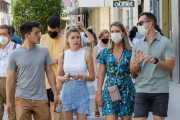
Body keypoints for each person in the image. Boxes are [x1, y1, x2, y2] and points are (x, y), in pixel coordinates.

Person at [6, 21, 61, 120]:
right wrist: (9, 101)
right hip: (22, 98)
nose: (39, 35)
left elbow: (50, 73)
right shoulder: (14, 54)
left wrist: (55, 94)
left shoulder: (44, 51)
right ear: (27, 36)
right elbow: (10, 78)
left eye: (39, 32)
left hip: (41, 97)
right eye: (36, 33)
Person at [130, 12, 175, 120]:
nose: (138, 26)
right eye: (138, 23)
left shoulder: (166, 42)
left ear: (150, 24)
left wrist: (156, 61)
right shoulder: (137, 44)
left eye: (141, 23)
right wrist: (138, 63)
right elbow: (132, 70)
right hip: (142, 88)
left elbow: (171, 65)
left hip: (160, 89)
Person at [96, 21, 136, 120]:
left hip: (127, 89)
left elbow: (134, 72)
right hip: (110, 89)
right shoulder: (105, 52)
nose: (114, 34)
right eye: (112, 31)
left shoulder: (130, 51)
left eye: (117, 31)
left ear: (123, 33)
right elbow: (101, 74)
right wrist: (98, 94)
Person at [55, 27, 95, 120]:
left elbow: (92, 77)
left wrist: (82, 77)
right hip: (67, 92)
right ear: (67, 39)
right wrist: (64, 78)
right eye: (72, 38)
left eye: (78, 37)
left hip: (82, 92)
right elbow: (58, 77)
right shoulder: (63, 55)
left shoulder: (86, 55)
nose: (76, 40)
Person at [40, 16, 64, 120]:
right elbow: (40, 57)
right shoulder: (43, 38)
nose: (51, 33)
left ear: (59, 27)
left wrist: (53, 61)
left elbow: (67, 60)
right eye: (50, 31)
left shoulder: (65, 40)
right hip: (44, 80)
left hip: (60, 79)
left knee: (55, 106)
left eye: (54, 31)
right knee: (47, 107)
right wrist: (56, 61)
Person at [0, 24, 20, 120]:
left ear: (10, 35)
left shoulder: (17, 48)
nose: (2, 36)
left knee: (12, 110)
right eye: (0, 34)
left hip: (11, 81)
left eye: (4, 34)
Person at [92, 29, 109, 117]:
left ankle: (104, 107)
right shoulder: (96, 48)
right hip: (98, 72)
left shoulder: (110, 47)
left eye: (107, 37)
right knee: (98, 91)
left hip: (107, 73)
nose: (105, 38)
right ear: (100, 37)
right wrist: (96, 72)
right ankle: (96, 108)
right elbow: (94, 61)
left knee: (106, 91)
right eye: (104, 37)